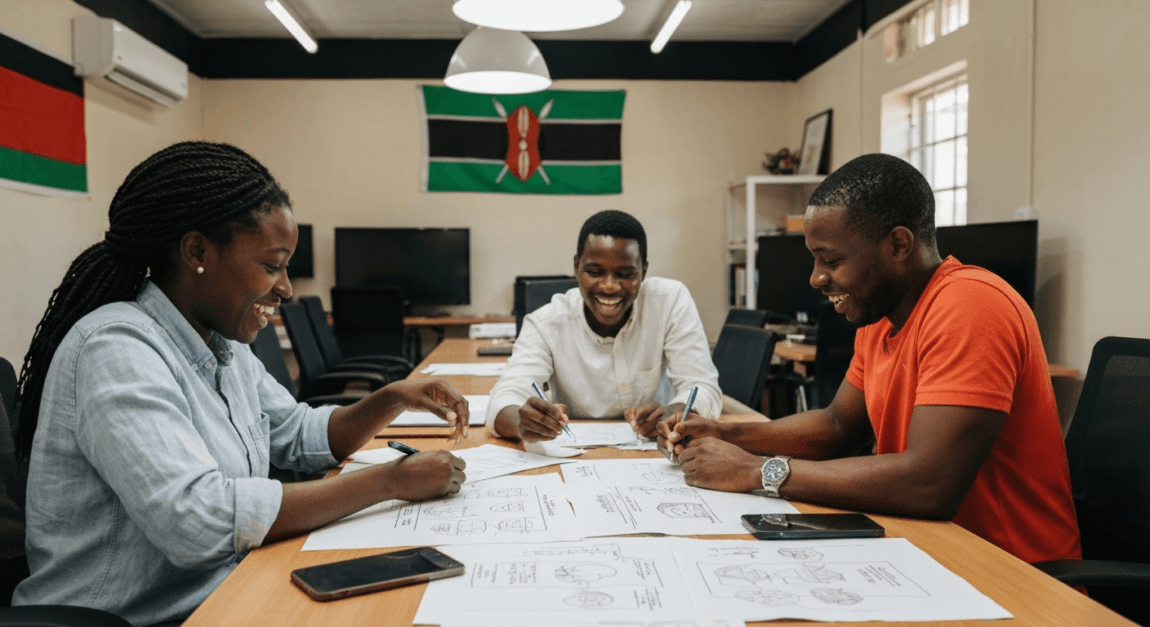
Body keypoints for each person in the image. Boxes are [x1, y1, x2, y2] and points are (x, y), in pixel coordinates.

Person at [10, 142, 469, 625]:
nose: (287, 288)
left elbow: (298, 435)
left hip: (224, 590)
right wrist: (390, 481)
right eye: (272, 265)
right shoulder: (116, 347)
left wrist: (393, 396)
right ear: (196, 252)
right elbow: (197, 522)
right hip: (139, 617)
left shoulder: (222, 345)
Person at [658, 153, 1081, 565]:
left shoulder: (970, 305)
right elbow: (837, 426)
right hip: (924, 548)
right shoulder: (880, 318)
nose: (816, 278)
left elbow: (929, 483)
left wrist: (757, 471)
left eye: (832, 260)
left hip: (1008, 571)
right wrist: (722, 433)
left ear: (898, 244)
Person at [486, 210, 721, 442]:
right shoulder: (545, 323)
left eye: (626, 273)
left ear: (643, 272)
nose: (609, 286)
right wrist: (522, 423)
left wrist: (675, 412)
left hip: (651, 455)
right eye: (594, 272)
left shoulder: (669, 302)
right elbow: (504, 397)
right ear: (577, 267)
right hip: (573, 455)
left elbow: (702, 386)